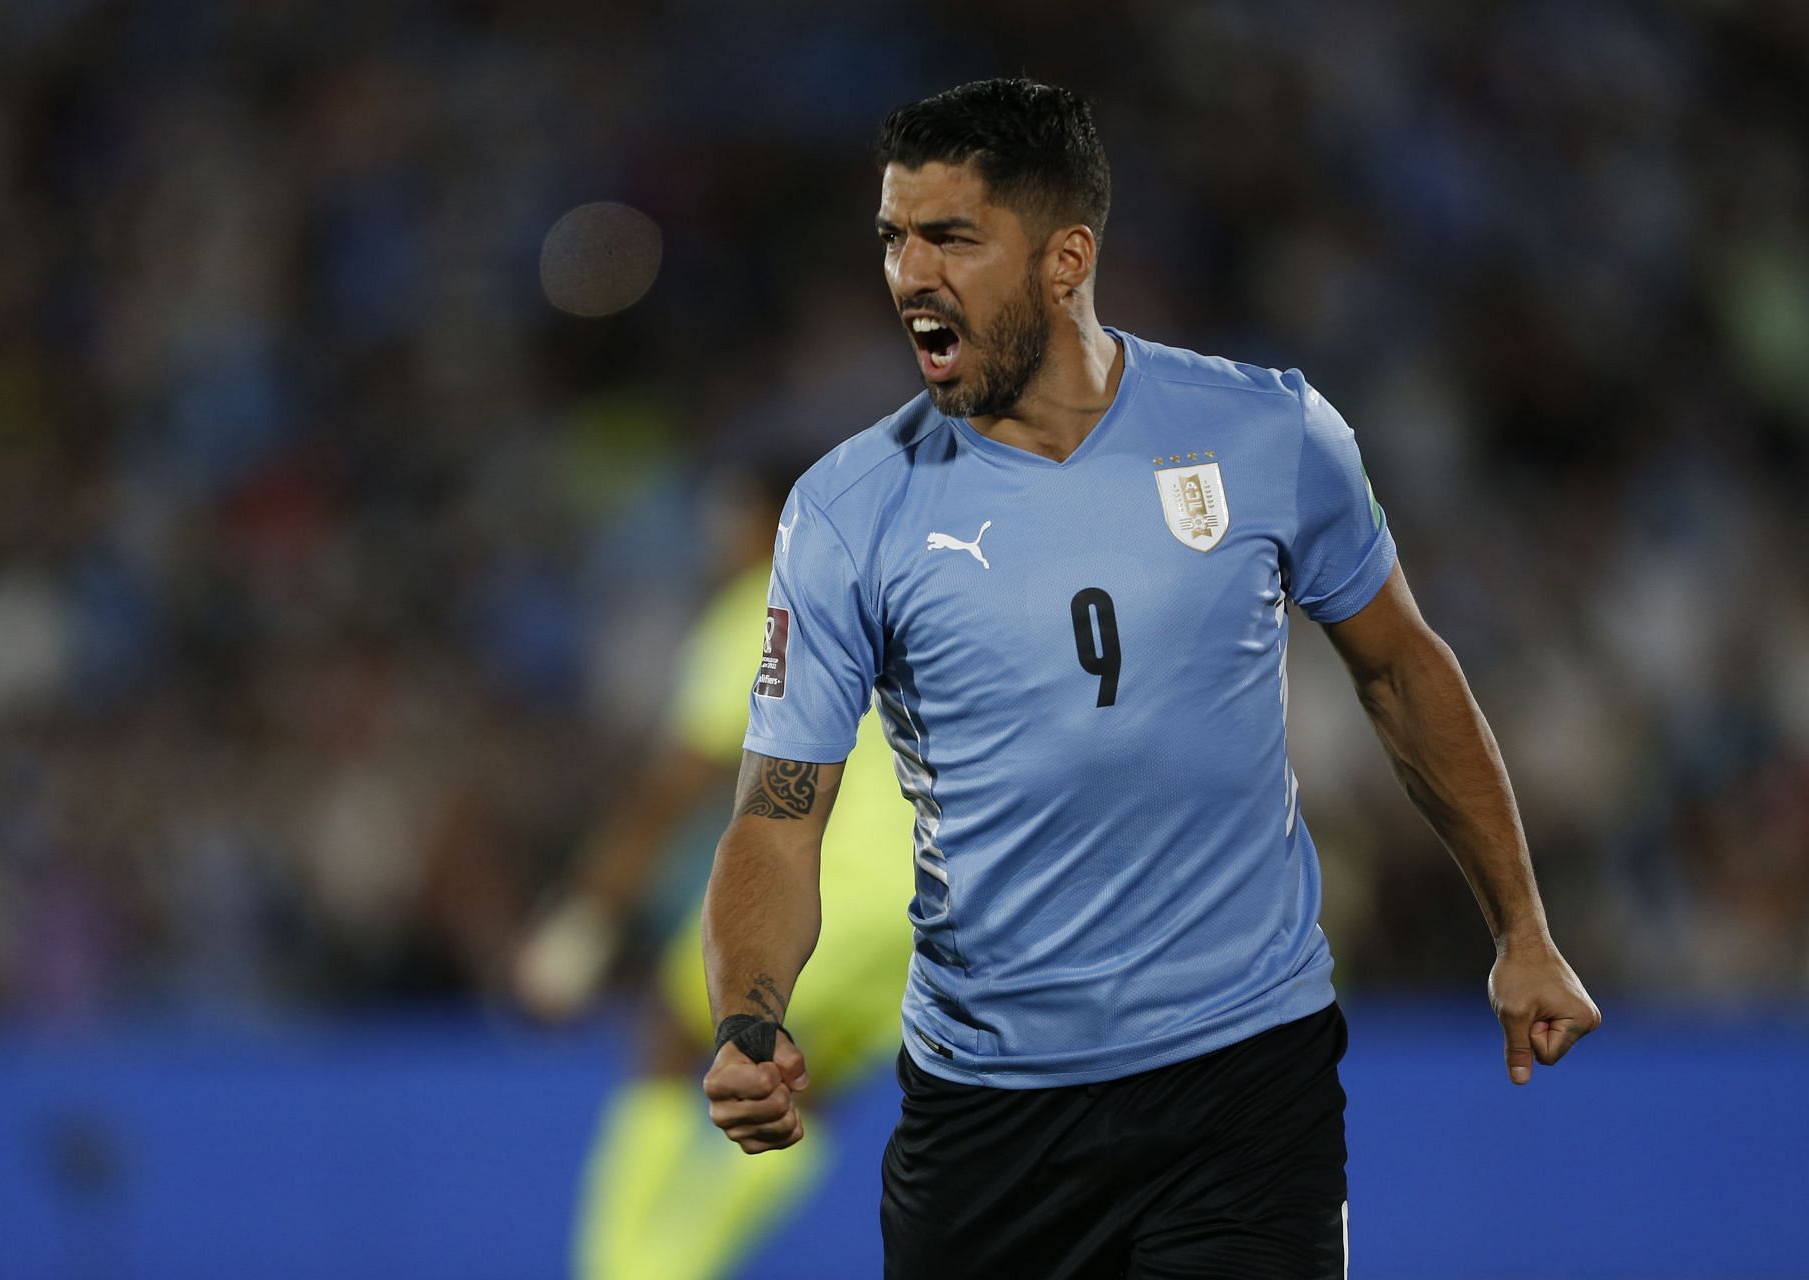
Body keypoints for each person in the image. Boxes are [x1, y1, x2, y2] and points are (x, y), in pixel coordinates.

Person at [699, 78, 1600, 1277]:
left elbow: (1400, 670)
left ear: (1067, 258)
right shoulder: (848, 512)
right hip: (991, 1116)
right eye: (893, 238)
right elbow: (775, 811)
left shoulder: (1267, 433)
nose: (910, 273)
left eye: (951, 236)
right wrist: (750, 1018)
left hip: (1243, 1085)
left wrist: (1522, 928)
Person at [511, 468, 916, 1280]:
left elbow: (676, 787)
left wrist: (586, 915)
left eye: (729, 517)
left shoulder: (766, 604)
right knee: (802, 1094)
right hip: (929, 914)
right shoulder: (896, 599)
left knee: (671, 1033)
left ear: (775, 519)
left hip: (825, 896)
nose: (717, 538)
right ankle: (679, 1266)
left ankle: (622, 1270)